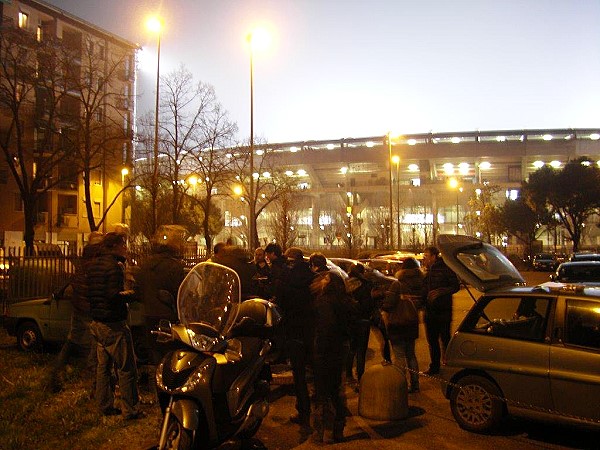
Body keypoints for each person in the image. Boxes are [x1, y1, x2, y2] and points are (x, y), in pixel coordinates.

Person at [87, 232, 141, 419]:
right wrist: (131, 294)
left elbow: (93, 293)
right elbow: (113, 295)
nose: (125, 248)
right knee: (126, 368)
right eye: (123, 244)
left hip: (97, 323)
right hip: (113, 324)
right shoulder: (115, 266)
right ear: (115, 246)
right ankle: (131, 410)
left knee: (103, 368)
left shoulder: (94, 264)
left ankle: (103, 405)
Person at [45, 231, 104, 394]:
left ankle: (56, 373)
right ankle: (96, 382)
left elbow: (76, 281)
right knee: (97, 344)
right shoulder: (98, 261)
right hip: (91, 308)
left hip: (79, 305)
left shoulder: (84, 260)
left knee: (72, 340)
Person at [134, 233, 185, 398]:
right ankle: (169, 389)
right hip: (168, 315)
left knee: (155, 354)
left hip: (148, 314)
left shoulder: (145, 265)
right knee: (170, 353)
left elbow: (138, 289)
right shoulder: (174, 267)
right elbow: (180, 292)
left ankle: (158, 388)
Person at [269, 244, 315, 428]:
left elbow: (280, 305)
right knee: (315, 373)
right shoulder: (314, 277)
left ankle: (303, 411)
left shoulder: (285, 279)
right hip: (312, 331)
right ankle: (322, 412)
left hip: (294, 331)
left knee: (299, 374)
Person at [310, 272, 351, 443]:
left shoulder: (324, 301)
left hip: (325, 350)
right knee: (337, 390)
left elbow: (326, 326)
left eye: (325, 279)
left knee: (322, 391)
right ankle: (338, 428)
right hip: (340, 349)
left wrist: (319, 348)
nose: (322, 281)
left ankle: (323, 431)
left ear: (330, 283)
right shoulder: (345, 300)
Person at [382, 257, 423, 393]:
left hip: (397, 323)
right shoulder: (420, 284)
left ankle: (400, 385)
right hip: (412, 323)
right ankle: (415, 383)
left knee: (399, 356)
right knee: (411, 354)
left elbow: (388, 305)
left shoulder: (397, 284)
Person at [421, 246, 460, 375]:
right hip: (430, 312)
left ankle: (449, 366)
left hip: (443, 311)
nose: (424, 258)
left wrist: (440, 292)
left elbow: (455, 286)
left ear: (434, 256)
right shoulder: (427, 271)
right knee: (432, 341)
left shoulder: (445, 268)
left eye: (426, 256)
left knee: (445, 340)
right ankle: (434, 367)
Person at [344, 264, 375, 384]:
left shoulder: (345, 285)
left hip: (350, 321)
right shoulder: (366, 285)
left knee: (351, 349)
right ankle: (360, 377)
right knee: (361, 351)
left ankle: (348, 375)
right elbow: (369, 305)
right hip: (363, 320)